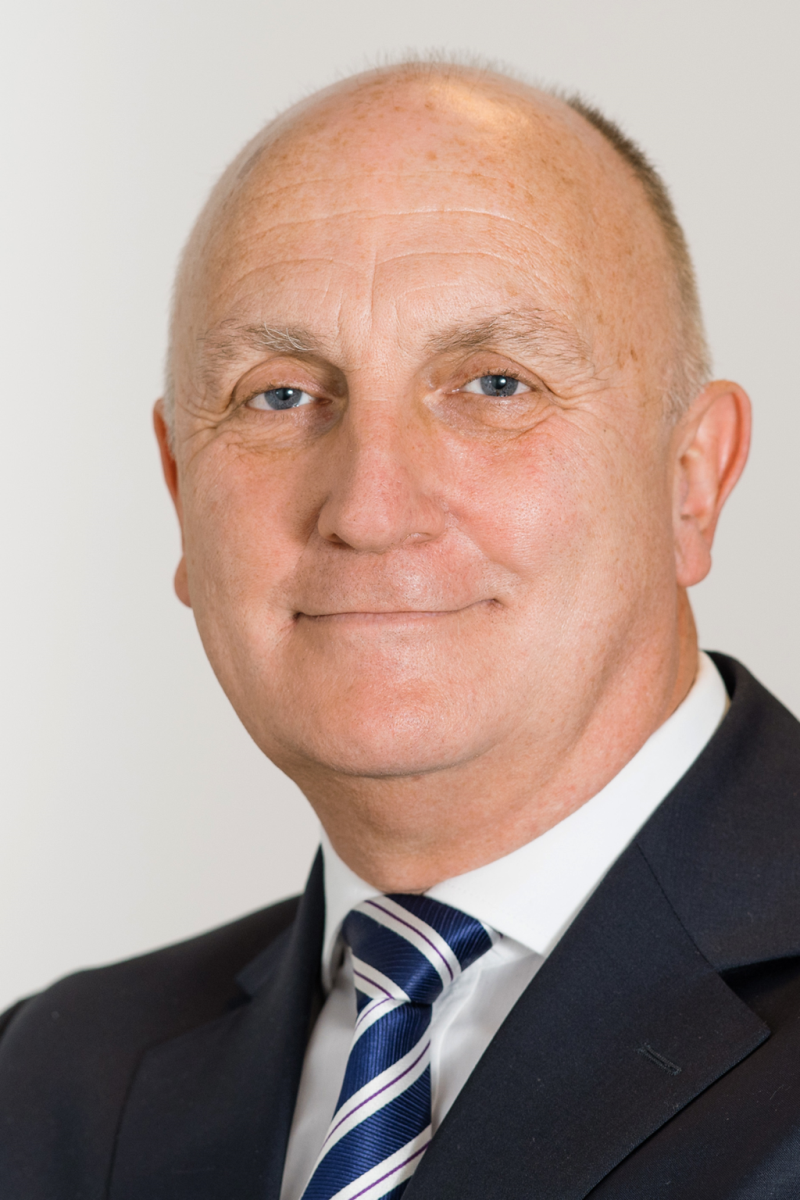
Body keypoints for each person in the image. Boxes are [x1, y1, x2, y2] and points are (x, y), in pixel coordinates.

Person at [2, 58, 799, 1200]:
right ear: (180, 491)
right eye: (280, 395)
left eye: (494, 384)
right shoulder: (50, 1080)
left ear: (691, 481)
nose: (370, 510)